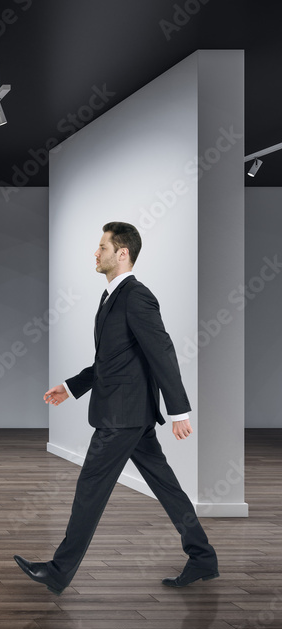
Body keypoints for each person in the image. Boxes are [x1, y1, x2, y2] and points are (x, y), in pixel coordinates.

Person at [14, 221, 218, 595]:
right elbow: (112, 361)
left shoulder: (136, 296)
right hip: (130, 414)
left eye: (102, 247)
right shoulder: (111, 297)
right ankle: (202, 555)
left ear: (121, 253)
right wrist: (71, 387)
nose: (96, 253)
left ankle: (59, 571)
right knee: (166, 485)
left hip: (122, 417)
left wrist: (179, 411)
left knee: (90, 486)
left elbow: (163, 352)